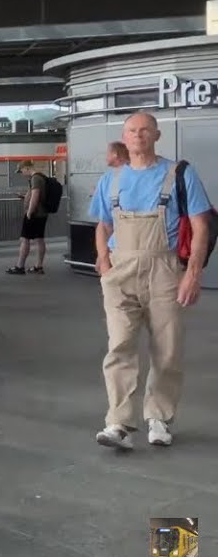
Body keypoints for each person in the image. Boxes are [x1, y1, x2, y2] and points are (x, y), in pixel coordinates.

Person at [91, 111, 210, 450]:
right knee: (120, 345)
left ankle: (158, 417)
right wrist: (103, 259)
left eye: (145, 130)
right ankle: (118, 423)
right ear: (123, 137)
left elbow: (200, 225)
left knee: (167, 348)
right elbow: (103, 224)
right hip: (120, 271)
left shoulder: (178, 174)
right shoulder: (110, 180)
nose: (138, 136)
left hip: (164, 269)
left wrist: (193, 273)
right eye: (131, 131)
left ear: (157, 136)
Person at [7, 160, 49, 275]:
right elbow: (35, 195)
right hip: (41, 213)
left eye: (21, 171)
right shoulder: (41, 177)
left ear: (26, 168)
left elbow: (35, 196)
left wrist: (29, 212)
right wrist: (25, 197)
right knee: (39, 239)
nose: (22, 174)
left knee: (25, 239)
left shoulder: (35, 178)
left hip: (34, 214)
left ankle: (20, 266)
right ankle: (38, 266)